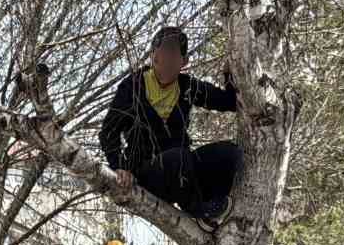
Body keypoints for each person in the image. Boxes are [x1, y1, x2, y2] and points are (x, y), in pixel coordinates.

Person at [98, 25, 242, 225]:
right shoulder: (133, 86)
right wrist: (119, 167)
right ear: (153, 57)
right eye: (160, 56)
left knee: (229, 153)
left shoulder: (188, 86)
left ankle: (214, 207)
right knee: (179, 157)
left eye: (172, 57)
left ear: (183, 62)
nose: (164, 63)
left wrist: (230, 74)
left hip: (183, 174)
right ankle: (199, 211)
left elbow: (229, 102)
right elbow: (108, 132)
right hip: (148, 175)